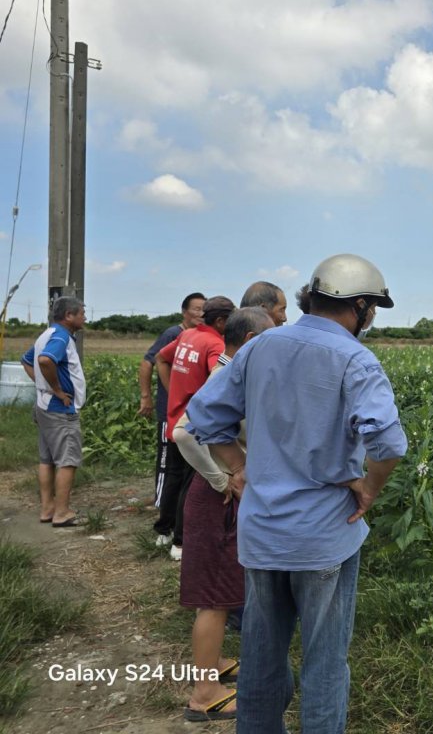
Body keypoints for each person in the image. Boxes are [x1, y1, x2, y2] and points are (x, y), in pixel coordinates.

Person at [187, 254, 407, 734]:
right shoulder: (354, 357)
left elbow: (204, 416)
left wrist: (239, 468)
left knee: (262, 657)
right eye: (373, 310)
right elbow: (388, 443)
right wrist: (368, 489)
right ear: (362, 305)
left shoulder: (260, 347)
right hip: (325, 535)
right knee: (325, 664)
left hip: (263, 532)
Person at [172, 307, 274, 722]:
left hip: (221, 499)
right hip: (217, 501)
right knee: (214, 599)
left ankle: (211, 666)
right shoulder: (224, 376)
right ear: (251, 341)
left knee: (220, 591)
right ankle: (204, 695)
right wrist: (224, 477)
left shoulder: (235, 372)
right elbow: (183, 431)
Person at [155, 296, 235, 561]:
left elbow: (161, 358)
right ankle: (180, 541)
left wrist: (173, 391)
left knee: (173, 477)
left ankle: (162, 530)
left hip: (175, 416)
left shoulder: (188, 335)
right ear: (221, 321)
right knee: (191, 484)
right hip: (194, 425)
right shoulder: (215, 344)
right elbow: (223, 381)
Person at [138, 292, 205, 543]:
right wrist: (147, 396)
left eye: (204, 309)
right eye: (196, 309)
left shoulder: (198, 337)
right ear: (184, 312)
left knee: (183, 470)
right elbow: (149, 362)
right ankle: (163, 520)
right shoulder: (173, 334)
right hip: (171, 411)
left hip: (185, 413)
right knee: (169, 468)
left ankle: (173, 517)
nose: (200, 314)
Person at [20, 296, 87, 527]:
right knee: (67, 460)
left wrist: (42, 385)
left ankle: (48, 508)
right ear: (69, 316)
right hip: (59, 409)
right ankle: (62, 512)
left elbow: (26, 360)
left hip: (43, 405)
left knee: (46, 459)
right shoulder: (60, 337)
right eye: (82, 313)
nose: (84, 317)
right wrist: (57, 390)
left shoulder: (47, 334)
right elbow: (45, 360)